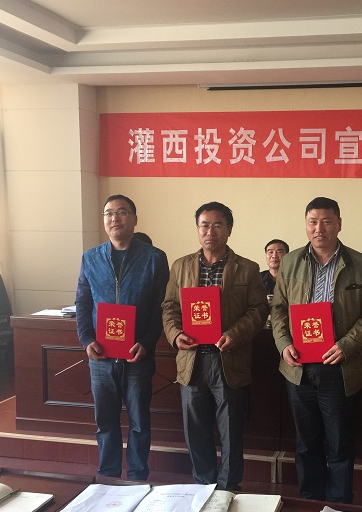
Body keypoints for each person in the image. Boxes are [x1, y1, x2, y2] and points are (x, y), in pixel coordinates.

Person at [270, 197, 362, 503]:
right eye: (313, 221)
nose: (319, 228)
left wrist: (347, 345)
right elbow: (278, 309)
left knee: (339, 444)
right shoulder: (290, 262)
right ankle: (310, 502)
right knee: (306, 443)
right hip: (298, 368)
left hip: (340, 368)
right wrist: (283, 344)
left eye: (326, 221)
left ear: (339, 224)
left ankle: (338, 507)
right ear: (306, 225)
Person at [162, 201, 269, 490]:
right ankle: (203, 486)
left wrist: (235, 333)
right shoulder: (181, 266)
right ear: (197, 229)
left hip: (228, 358)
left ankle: (228, 489)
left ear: (229, 229)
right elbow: (170, 307)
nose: (210, 232)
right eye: (204, 225)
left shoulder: (247, 268)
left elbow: (259, 310)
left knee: (230, 431)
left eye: (218, 225)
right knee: (195, 429)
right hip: (192, 359)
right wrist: (175, 334)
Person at [75, 194, 169, 480]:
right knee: (105, 421)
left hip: (137, 354)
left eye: (122, 212)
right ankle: (108, 475)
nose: (114, 218)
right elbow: (83, 302)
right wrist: (86, 339)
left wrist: (148, 342)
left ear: (135, 218)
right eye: (109, 213)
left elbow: (161, 306)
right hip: (101, 356)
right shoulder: (91, 257)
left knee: (139, 422)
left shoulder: (154, 258)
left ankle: (138, 477)